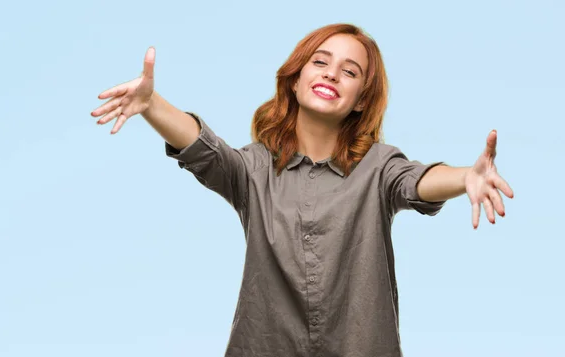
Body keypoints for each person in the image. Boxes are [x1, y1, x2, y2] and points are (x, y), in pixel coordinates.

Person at [91, 23, 513, 357]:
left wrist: (465, 177)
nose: (332, 73)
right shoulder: (254, 168)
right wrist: (152, 105)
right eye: (320, 62)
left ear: (361, 100)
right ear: (294, 80)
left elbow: (415, 181)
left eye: (350, 71)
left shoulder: (378, 166)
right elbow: (206, 150)